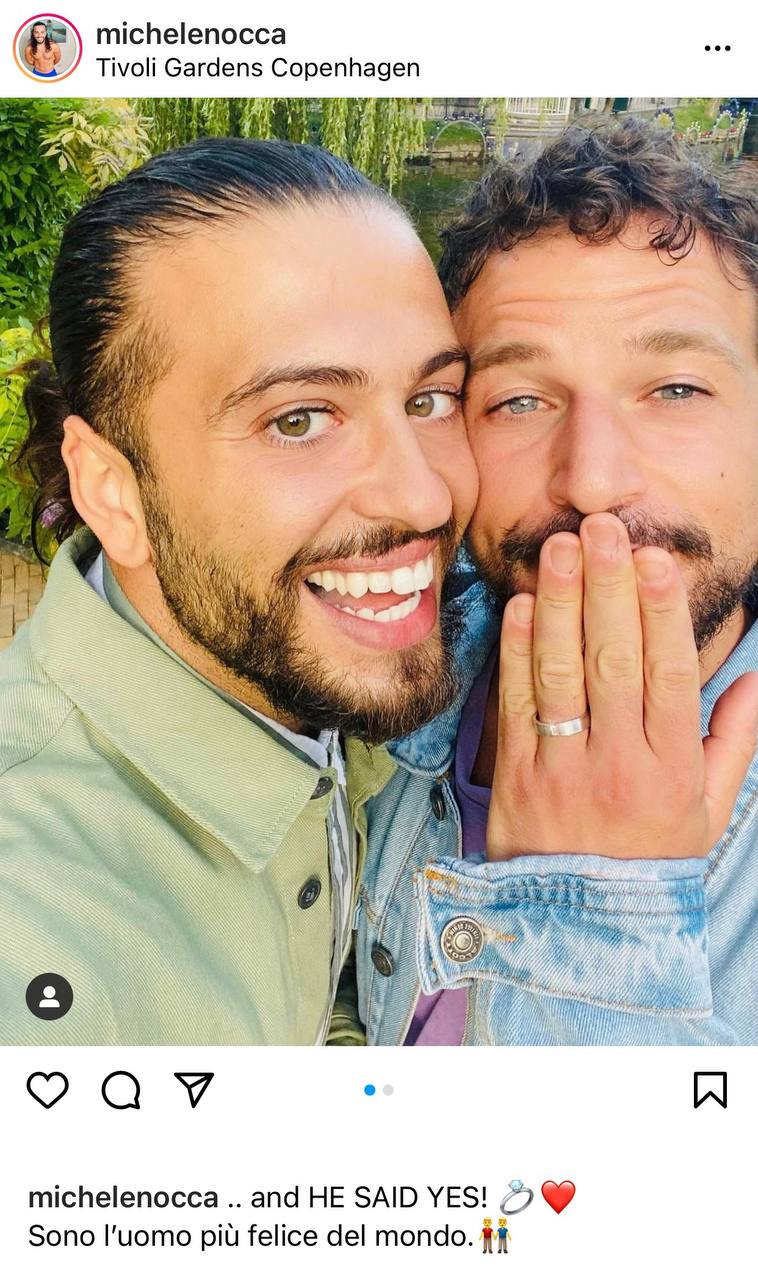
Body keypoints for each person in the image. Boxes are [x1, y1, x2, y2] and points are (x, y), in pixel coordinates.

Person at [0, 138, 478, 1045]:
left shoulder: (285, 663)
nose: (424, 498)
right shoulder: (35, 922)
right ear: (112, 491)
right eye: (298, 419)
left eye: (431, 400)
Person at [356, 119, 758, 1046]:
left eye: (676, 389)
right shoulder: (391, 689)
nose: (593, 480)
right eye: (519, 401)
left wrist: (595, 917)